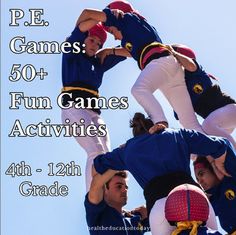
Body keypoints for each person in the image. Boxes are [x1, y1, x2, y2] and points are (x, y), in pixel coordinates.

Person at [91, 112, 234, 235]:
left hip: (161, 208)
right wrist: (221, 161)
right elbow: (222, 144)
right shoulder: (177, 134)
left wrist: (125, 150)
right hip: (195, 198)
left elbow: (96, 166)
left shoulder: (128, 149)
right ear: (153, 126)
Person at [77, 0, 203, 133]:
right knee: (188, 121)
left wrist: (77, 36)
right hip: (170, 68)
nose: (114, 37)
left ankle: (160, 122)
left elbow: (87, 13)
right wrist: (109, 51)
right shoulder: (137, 28)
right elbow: (131, 52)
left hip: (160, 62)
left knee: (139, 89)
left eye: (112, 31)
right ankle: (211, 150)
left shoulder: (124, 19)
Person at [61, 12, 129, 190]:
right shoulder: (72, 51)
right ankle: (93, 201)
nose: (96, 45)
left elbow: (130, 51)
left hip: (93, 112)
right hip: (73, 108)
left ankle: (107, 198)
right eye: (92, 40)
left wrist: (109, 50)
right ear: (84, 39)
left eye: (99, 43)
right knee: (96, 150)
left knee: (106, 154)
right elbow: (81, 26)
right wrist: (103, 18)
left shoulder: (98, 62)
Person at [167, 44, 236, 149]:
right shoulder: (180, 88)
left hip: (229, 110)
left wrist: (174, 53)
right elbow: (180, 115)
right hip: (221, 121)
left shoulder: (195, 73)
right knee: (210, 140)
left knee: (207, 126)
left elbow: (190, 65)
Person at [84, 169, 150, 234]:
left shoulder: (135, 218)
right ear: (105, 190)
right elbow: (96, 184)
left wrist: (144, 212)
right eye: (119, 186)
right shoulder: (99, 213)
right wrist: (118, 165)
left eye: (126, 187)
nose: (125, 190)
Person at [194, 156, 236, 234]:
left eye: (201, 174)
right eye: (197, 179)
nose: (200, 181)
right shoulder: (212, 201)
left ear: (213, 169)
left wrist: (212, 161)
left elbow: (225, 149)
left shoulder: (232, 179)